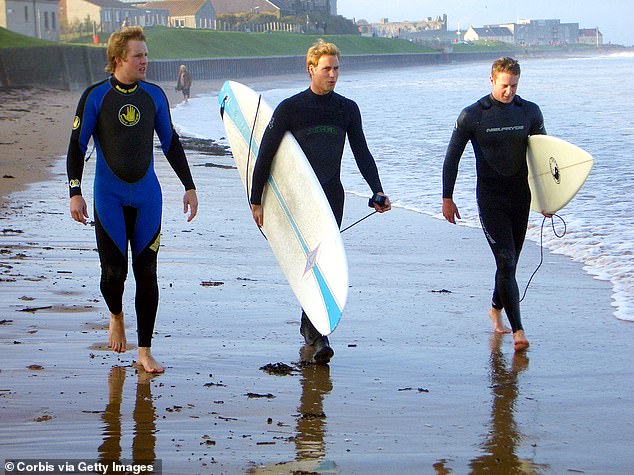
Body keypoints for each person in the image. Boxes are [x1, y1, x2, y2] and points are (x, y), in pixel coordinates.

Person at [250, 39, 391, 364]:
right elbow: (266, 155)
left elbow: (362, 152)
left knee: (320, 262)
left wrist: (377, 190)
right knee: (311, 263)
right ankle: (318, 336)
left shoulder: (346, 108)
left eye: (336, 68)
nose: (333, 74)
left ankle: (311, 330)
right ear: (311, 69)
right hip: (298, 200)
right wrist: (257, 200)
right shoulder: (290, 108)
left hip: (331, 196)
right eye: (326, 68)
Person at [66, 26, 198, 373]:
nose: (145, 61)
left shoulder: (154, 96)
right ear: (118, 59)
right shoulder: (95, 97)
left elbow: (171, 143)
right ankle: (115, 314)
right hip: (108, 196)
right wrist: (74, 191)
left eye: (146, 54)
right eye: (138, 55)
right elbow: (76, 146)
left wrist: (189, 185)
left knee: (147, 274)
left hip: (146, 197)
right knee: (113, 274)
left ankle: (145, 350)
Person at [442, 56, 547, 352]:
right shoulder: (473, 115)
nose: (509, 92)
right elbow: (452, 157)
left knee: (509, 263)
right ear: (492, 81)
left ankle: (494, 308)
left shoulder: (529, 112)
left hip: (521, 198)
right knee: (507, 261)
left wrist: (549, 198)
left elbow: (544, 159)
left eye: (514, 86)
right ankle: (518, 331)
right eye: (504, 86)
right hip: (490, 198)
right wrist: (447, 197)